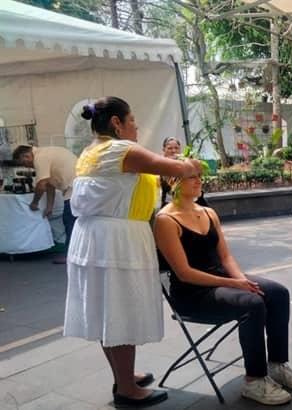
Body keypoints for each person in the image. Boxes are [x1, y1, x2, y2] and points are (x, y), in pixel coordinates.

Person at [63, 96, 203, 408]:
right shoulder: (120, 149)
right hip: (116, 240)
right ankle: (127, 388)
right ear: (117, 123)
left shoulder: (91, 151)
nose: (137, 127)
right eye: (132, 120)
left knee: (107, 311)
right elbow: (180, 168)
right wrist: (191, 165)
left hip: (96, 237)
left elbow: (131, 183)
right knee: (120, 310)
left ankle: (123, 376)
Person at [155, 170, 292, 406]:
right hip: (192, 293)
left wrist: (243, 282)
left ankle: (277, 365)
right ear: (173, 181)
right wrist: (235, 284)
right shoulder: (165, 220)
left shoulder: (208, 212)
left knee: (277, 293)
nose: (199, 180)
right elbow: (184, 273)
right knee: (252, 304)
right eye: (191, 176)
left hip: (223, 280)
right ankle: (254, 380)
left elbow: (226, 257)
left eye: (199, 175)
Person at [12, 144, 78, 264]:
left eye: (25, 164)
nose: (28, 167)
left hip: (74, 187)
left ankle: (70, 255)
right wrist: (49, 207)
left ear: (26, 156)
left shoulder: (40, 158)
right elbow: (49, 185)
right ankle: (74, 254)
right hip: (75, 185)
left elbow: (41, 184)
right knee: (72, 221)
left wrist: (34, 202)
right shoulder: (46, 153)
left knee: (70, 221)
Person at [160, 137, 208, 208]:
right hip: (170, 206)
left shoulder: (188, 164)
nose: (173, 151)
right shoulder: (159, 166)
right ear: (164, 150)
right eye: (169, 148)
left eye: (176, 148)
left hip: (193, 203)